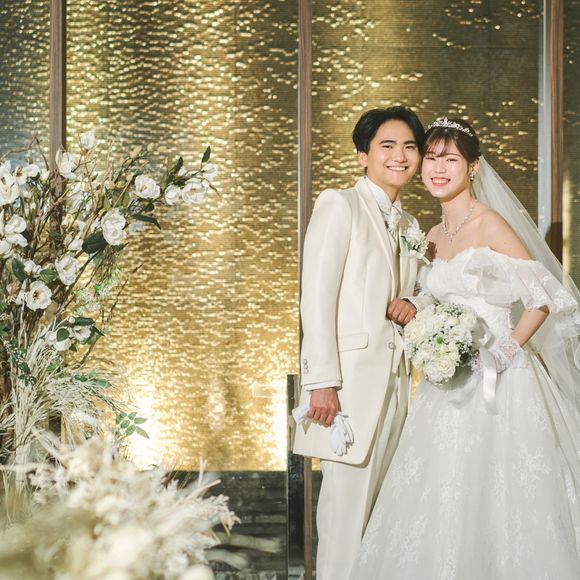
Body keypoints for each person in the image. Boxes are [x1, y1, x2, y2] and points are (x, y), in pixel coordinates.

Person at [349, 117, 580, 579]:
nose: (438, 168)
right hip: (447, 383)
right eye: (431, 158)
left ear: (473, 167)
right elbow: (432, 302)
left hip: (502, 384)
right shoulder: (431, 236)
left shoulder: (490, 223)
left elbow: (542, 299)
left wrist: (504, 353)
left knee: (504, 496)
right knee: (441, 494)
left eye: (450, 159)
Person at [292, 106, 430, 580]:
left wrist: (414, 301)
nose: (400, 156)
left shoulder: (411, 224)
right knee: (344, 523)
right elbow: (316, 297)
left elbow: (420, 291)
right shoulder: (340, 204)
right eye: (387, 146)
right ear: (362, 155)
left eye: (409, 146)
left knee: (381, 527)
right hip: (347, 389)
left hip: (397, 388)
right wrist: (321, 383)